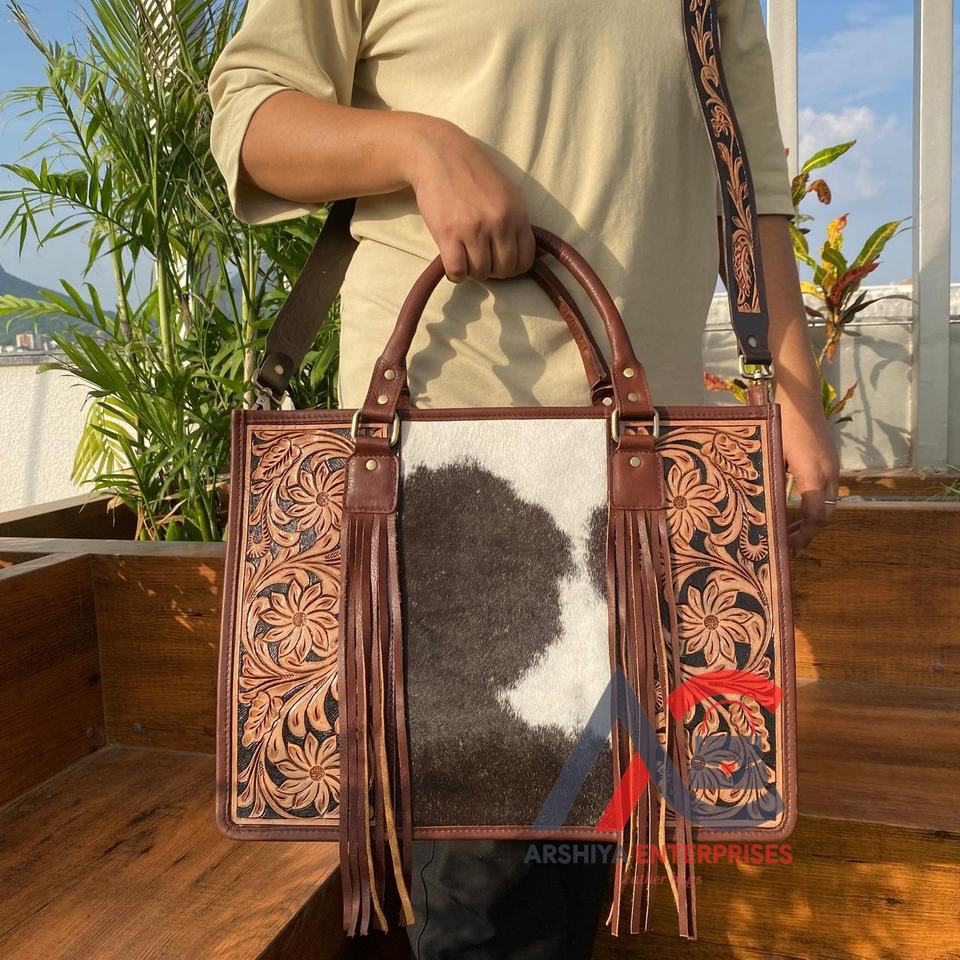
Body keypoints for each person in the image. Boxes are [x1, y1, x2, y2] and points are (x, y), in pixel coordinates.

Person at [209, 1, 840, 956]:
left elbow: (746, 170)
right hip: (444, 472)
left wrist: (792, 387)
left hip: (638, 489)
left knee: (574, 875)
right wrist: (418, 145)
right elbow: (251, 119)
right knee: (488, 896)